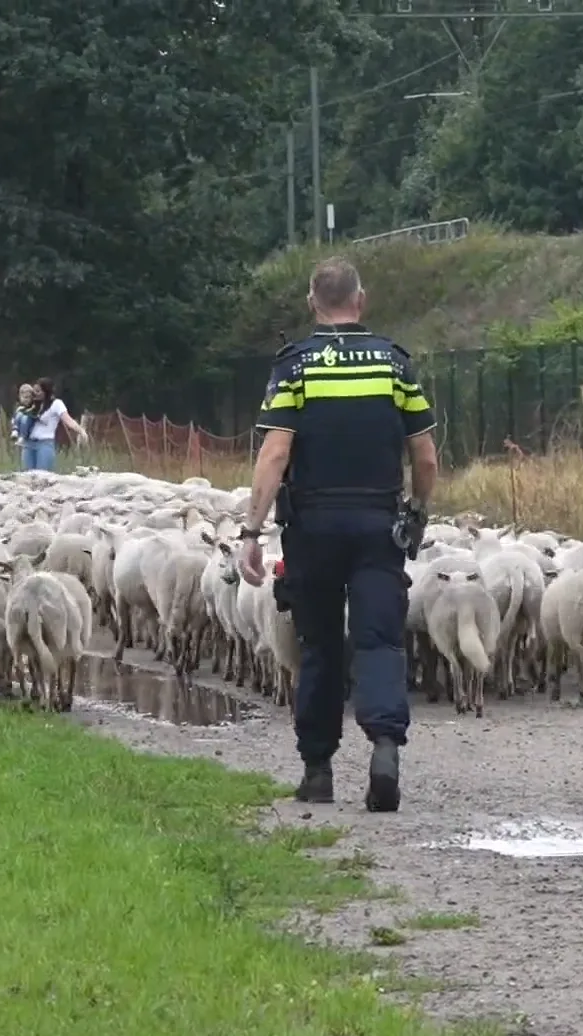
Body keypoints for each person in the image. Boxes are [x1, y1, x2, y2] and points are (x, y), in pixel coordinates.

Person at [236, 256, 439, 813]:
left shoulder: (295, 367)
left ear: (311, 303)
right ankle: (384, 747)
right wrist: (417, 510)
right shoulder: (395, 365)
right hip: (379, 524)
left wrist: (252, 531)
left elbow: (275, 452)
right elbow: (424, 455)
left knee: (320, 645)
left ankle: (318, 770)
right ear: (361, 300)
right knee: (379, 639)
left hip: (313, 527)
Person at [20, 377, 88, 472]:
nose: (35, 394)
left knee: (42, 475)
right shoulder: (32, 405)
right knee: (26, 475)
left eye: (38, 391)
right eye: (34, 391)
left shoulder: (56, 404)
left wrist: (80, 430)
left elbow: (68, 420)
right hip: (28, 444)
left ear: (45, 391)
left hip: (44, 443)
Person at [10, 381, 40, 449]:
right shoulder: (19, 407)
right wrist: (14, 420)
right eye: (24, 397)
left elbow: (34, 415)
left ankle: (22, 437)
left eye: (28, 397)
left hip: (30, 426)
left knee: (25, 418)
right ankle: (15, 431)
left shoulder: (34, 406)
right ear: (20, 397)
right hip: (20, 425)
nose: (26, 400)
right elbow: (14, 418)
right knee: (19, 414)